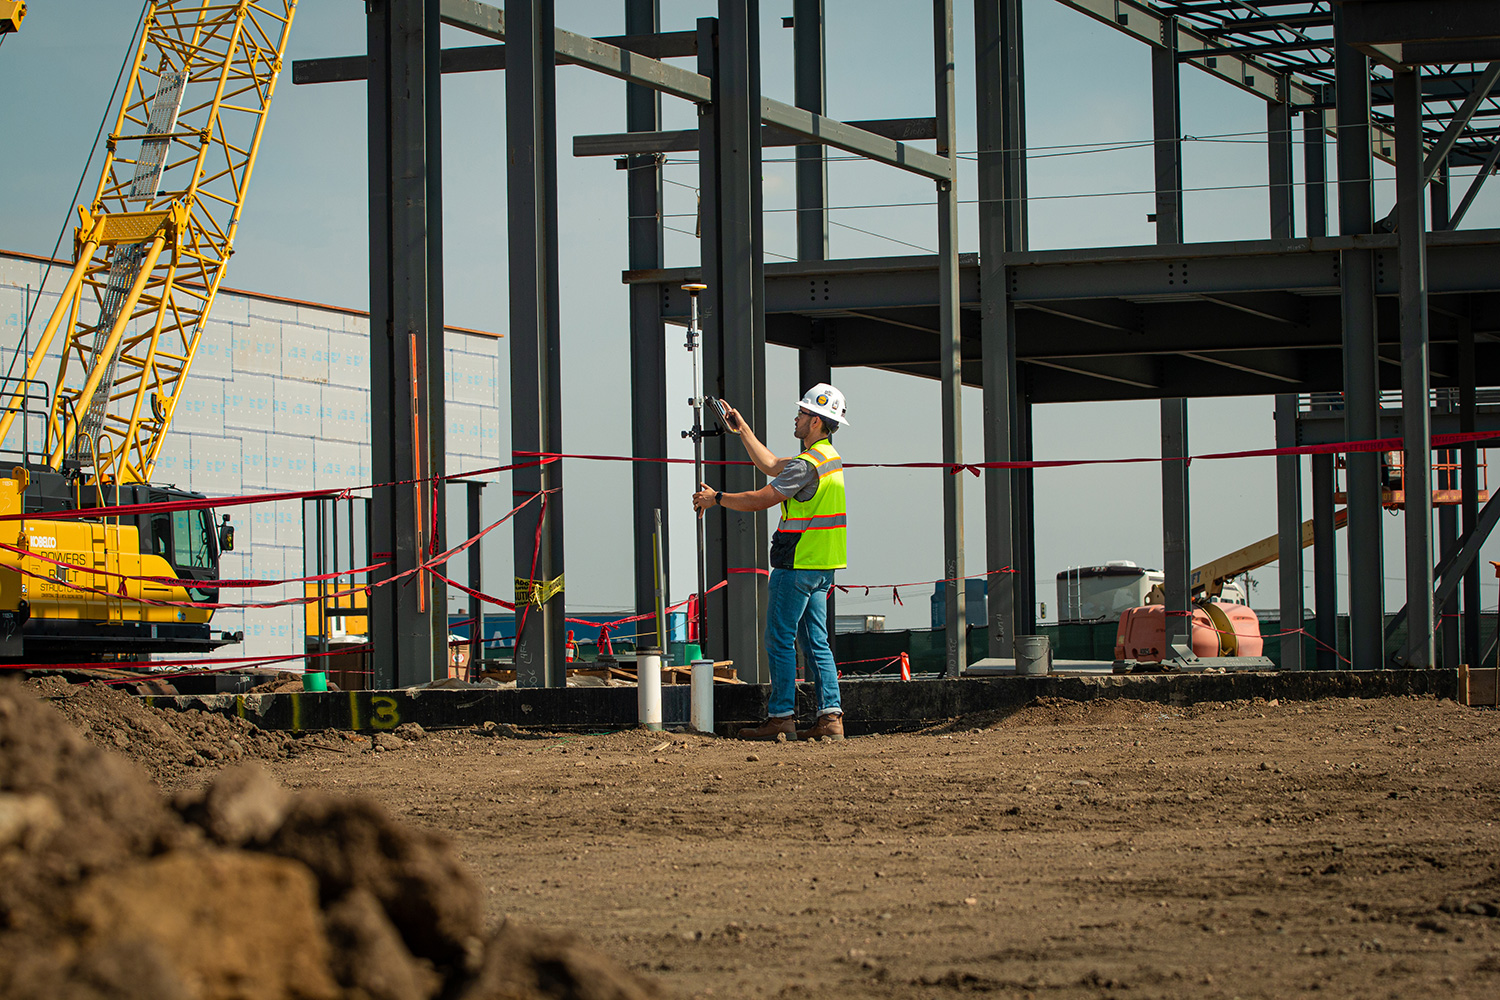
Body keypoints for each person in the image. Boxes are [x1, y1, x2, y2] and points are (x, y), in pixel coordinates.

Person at [692, 383, 849, 741]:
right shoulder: (825, 459)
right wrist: (742, 429)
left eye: (802, 413)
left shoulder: (806, 465)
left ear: (816, 422)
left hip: (796, 565)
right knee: (816, 643)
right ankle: (830, 718)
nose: (796, 417)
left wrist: (716, 497)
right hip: (822, 567)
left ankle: (781, 717)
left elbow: (762, 498)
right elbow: (771, 465)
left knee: (779, 639)